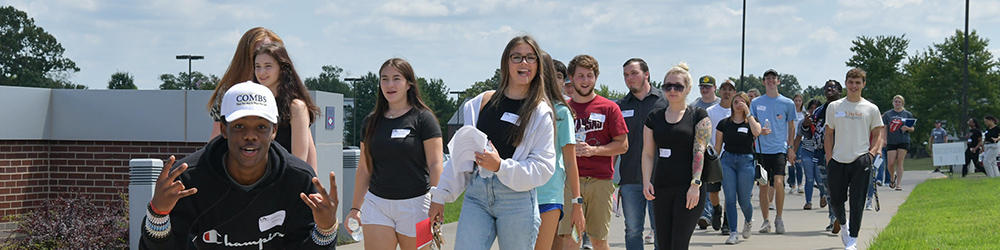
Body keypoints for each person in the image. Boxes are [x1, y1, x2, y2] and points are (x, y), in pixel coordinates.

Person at [140, 82, 339, 249]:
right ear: (224, 129)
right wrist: (158, 214)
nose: (250, 135)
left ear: (274, 131)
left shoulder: (297, 179)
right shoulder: (187, 180)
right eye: (239, 126)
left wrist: (326, 229)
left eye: (261, 127)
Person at [428, 35, 556, 249]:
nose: (524, 63)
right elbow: (460, 156)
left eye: (530, 58)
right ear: (506, 63)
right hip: (477, 194)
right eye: (517, 57)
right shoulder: (482, 102)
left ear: (538, 65)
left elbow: (543, 167)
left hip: (517, 199)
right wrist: (439, 196)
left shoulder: (540, 112)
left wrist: (500, 166)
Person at [345, 58, 443, 250]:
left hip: (418, 205)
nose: (390, 85)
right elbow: (365, 168)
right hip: (377, 204)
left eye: (396, 78)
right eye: (384, 79)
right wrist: (355, 208)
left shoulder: (424, 119)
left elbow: (435, 164)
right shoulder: (370, 122)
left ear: (409, 84)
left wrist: (437, 201)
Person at [559, 54, 629, 250]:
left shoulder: (609, 108)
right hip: (569, 182)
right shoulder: (564, 110)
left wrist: (593, 151)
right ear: (570, 78)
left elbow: (622, 145)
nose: (585, 80)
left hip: (600, 181)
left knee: (598, 241)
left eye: (589, 75)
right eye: (580, 76)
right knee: (570, 240)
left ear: (596, 78)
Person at [642, 62, 708, 250]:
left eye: (678, 86)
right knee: (663, 244)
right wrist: (647, 181)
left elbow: (699, 150)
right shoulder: (654, 117)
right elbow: (647, 153)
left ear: (687, 89)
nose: (672, 90)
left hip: (689, 188)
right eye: (667, 86)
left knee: (679, 244)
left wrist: (695, 184)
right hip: (662, 186)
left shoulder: (698, 115)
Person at [825, 68, 884, 250]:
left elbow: (878, 133)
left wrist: (872, 154)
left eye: (858, 82)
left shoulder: (871, 108)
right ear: (846, 84)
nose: (854, 86)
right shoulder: (835, 107)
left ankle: (853, 239)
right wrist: (829, 159)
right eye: (851, 82)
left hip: (861, 159)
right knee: (836, 201)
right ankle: (843, 224)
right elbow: (828, 134)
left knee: (857, 201)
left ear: (863, 84)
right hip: (838, 159)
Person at [615, 58, 667, 249]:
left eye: (634, 73)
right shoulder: (620, 106)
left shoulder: (664, 101)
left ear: (646, 74)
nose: (629, 78)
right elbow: (615, 143)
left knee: (661, 229)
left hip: (660, 178)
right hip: (630, 179)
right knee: (633, 230)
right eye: (626, 75)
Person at [536, 51, 585, 250]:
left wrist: (576, 202)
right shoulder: (524, 107)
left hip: (549, 193)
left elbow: (570, 161)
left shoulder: (562, 111)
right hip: (520, 190)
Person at [252, 43, 321, 171]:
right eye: (258, 67)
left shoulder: (296, 107)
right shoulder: (254, 105)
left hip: (286, 182)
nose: (261, 72)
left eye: (268, 66)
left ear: (282, 68)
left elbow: (298, 161)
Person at [208, 27, 284, 139]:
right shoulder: (229, 92)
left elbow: (306, 142)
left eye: (271, 52)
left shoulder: (288, 93)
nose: (263, 56)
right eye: (258, 52)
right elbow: (215, 139)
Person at [749, 69, 796, 234]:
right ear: (763, 82)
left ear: (778, 81)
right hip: (762, 150)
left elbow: (791, 126)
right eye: (767, 79)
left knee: (778, 182)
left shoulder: (787, 103)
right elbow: (752, 123)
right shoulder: (756, 103)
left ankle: (779, 218)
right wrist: (759, 131)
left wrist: (791, 148)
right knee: (763, 186)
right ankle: (766, 220)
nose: (770, 81)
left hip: (779, 149)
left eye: (773, 78)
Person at [715, 92, 762, 244]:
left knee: (744, 200)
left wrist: (748, 113)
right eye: (736, 101)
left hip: (746, 161)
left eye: (742, 102)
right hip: (727, 160)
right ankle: (733, 231)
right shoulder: (724, 123)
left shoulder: (751, 121)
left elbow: (757, 132)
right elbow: (717, 147)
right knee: (729, 198)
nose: (738, 104)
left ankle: (748, 220)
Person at [700, 79, 736, 234]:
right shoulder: (712, 111)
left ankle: (727, 222)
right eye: (724, 89)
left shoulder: (737, 111)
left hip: (732, 158)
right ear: (719, 91)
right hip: (715, 158)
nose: (727, 92)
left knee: (729, 192)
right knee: (713, 192)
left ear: (734, 92)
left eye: (730, 89)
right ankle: (716, 209)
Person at [690, 76, 723, 233]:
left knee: (716, 189)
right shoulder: (694, 105)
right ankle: (706, 215)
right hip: (702, 151)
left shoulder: (720, 105)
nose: (705, 89)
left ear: (715, 88)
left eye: (708, 87)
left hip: (720, 151)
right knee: (705, 183)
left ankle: (715, 211)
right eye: (702, 86)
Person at [813, 80, 843, 232]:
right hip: (823, 154)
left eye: (833, 87)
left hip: (843, 154)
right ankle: (834, 218)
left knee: (842, 188)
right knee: (829, 188)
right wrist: (806, 125)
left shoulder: (845, 109)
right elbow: (811, 133)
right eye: (827, 87)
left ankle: (841, 216)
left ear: (839, 91)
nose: (829, 89)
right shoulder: (818, 111)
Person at [794, 99, 826, 210]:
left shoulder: (823, 122)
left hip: (819, 152)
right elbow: (798, 137)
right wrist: (793, 152)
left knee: (820, 178)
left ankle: (823, 195)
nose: (813, 111)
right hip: (807, 152)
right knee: (809, 178)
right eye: (811, 108)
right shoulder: (803, 122)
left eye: (816, 108)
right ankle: (808, 202)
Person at [882, 95, 914, 190]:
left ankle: (899, 184)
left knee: (900, 162)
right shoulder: (888, 114)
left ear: (902, 103)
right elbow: (885, 128)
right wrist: (884, 139)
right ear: (893, 103)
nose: (897, 103)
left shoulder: (907, 114)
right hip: (891, 141)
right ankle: (892, 177)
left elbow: (912, 128)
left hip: (903, 140)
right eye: (896, 101)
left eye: (899, 102)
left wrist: (907, 128)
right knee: (890, 163)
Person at [788, 94, 806, 195]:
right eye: (795, 100)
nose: (797, 103)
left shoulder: (803, 114)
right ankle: (792, 185)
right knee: (791, 164)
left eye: (799, 101)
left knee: (798, 163)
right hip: (790, 140)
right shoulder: (790, 114)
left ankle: (800, 185)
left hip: (800, 141)